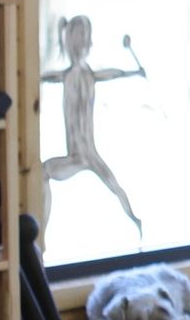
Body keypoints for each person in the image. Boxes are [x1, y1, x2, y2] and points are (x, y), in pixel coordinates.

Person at [41, 14, 145, 239]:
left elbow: (113, 73)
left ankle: (136, 221)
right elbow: (43, 77)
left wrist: (134, 73)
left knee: (115, 187)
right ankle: (42, 238)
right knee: (43, 173)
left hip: (87, 154)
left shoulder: (84, 75)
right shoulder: (70, 75)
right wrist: (134, 72)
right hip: (77, 156)